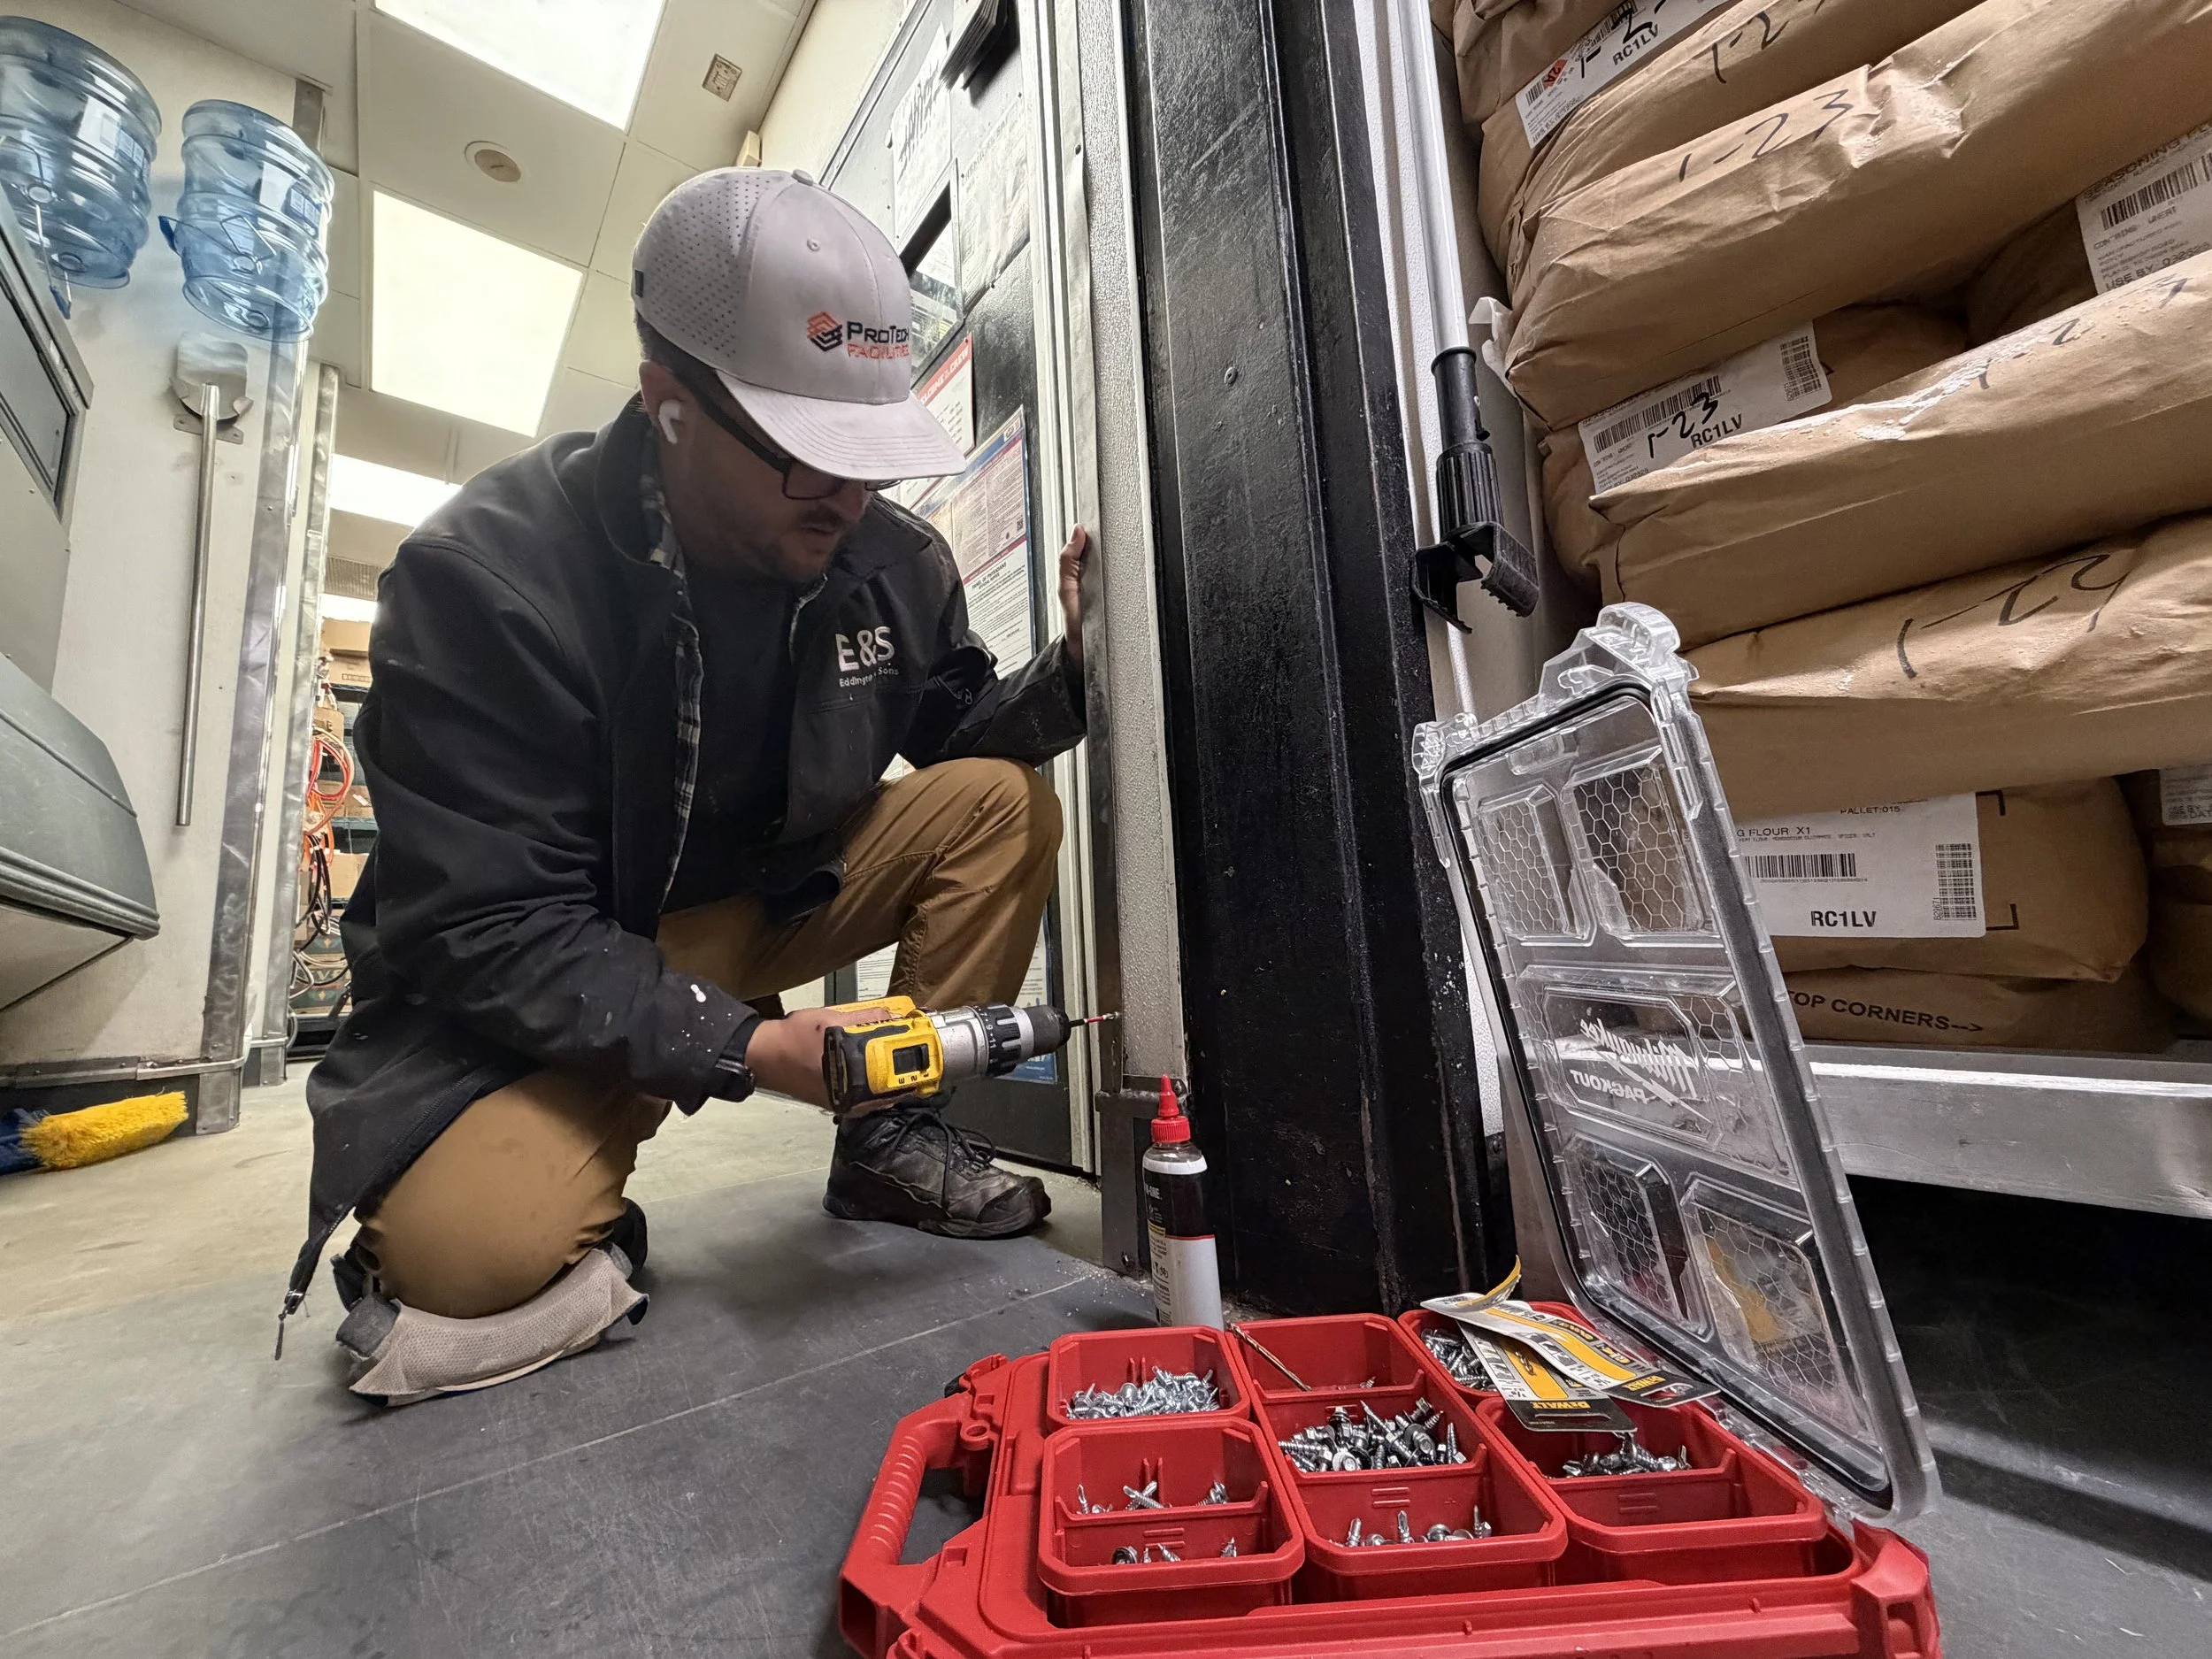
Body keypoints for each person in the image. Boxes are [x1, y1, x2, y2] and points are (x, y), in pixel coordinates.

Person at [281, 168, 1091, 1403]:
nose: (852, 495)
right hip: (565, 938)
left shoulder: (888, 558)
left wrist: (1080, 671)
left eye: (869, 454)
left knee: (1000, 799)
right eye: (807, 455)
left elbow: (959, 732)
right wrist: (749, 1043)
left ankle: (890, 1141)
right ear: (669, 405)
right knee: (466, 1257)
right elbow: (487, 925)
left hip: (765, 896)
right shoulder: (485, 582)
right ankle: (567, 1162)